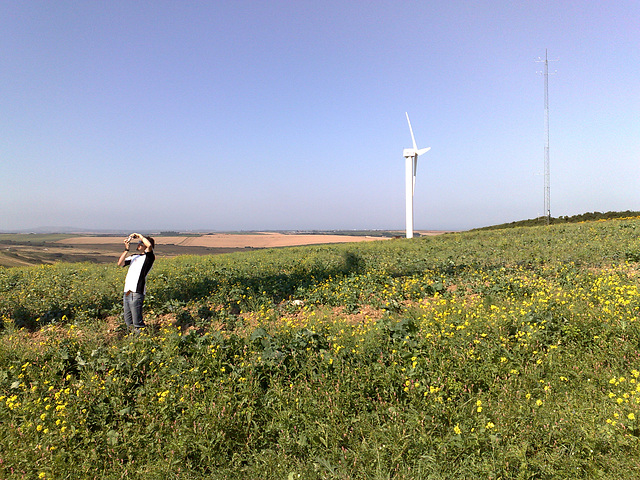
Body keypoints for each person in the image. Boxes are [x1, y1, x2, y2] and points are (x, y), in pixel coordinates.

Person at [117, 233, 155, 332]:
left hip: (137, 291)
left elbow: (149, 246)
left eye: (141, 243)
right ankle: (132, 340)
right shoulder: (134, 256)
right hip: (127, 291)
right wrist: (126, 249)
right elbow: (120, 263)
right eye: (138, 243)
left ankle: (142, 340)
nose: (138, 244)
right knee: (128, 321)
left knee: (137, 323)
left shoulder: (149, 257)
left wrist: (140, 236)